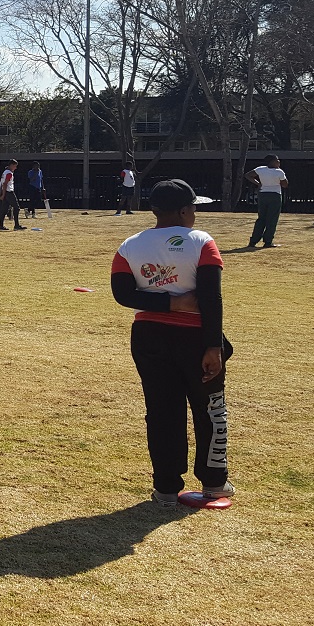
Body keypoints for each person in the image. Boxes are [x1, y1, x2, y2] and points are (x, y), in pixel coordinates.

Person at [111, 179, 234, 505]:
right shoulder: (202, 242)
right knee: (210, 409)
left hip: (148, 337)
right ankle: (214, 482)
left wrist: (166, 303)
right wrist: (214, 346)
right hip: (195, 337)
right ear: (183, 211)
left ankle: (165, 487)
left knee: (162, 411)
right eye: (193, 208)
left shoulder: (130, 245)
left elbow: (122, 294)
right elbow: (211, 297)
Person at [245, 154, 288, 248]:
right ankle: (268, 241)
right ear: (272, 162)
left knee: (261, 218)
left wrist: (258, 183)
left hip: (263, 195)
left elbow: (248, 175)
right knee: (272, 219)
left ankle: (253, 241)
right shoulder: (279, 171)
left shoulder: (261, 169)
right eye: (277, 160)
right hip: (275, 195)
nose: (279, 162)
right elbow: (285, 184)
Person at [0, 159, 24, 230]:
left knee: (4, 209)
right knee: (16, 208)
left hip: (5, 192)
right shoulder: (9, 173)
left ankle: (0, 225)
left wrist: (2, 193)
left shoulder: (5, 172)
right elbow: (5, 184)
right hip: (9, 192)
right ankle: (16, 225)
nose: (15, 168)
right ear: (11, 165)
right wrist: (3, 195)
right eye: (15, 166)